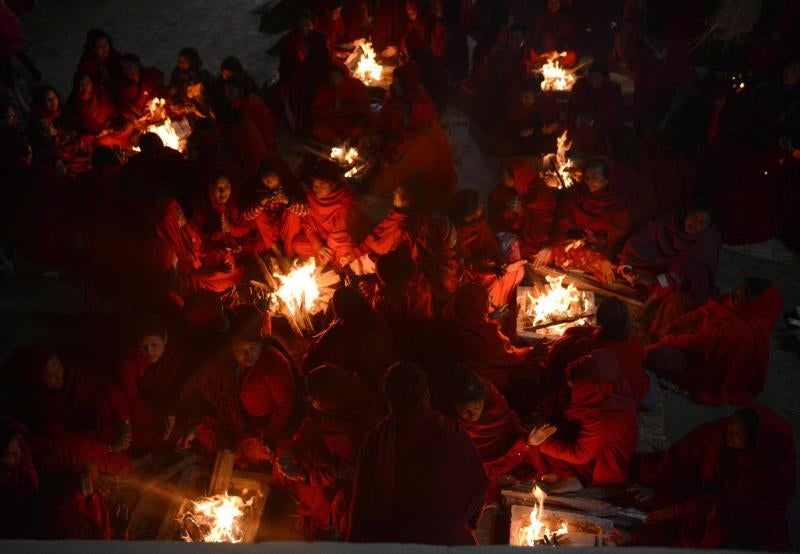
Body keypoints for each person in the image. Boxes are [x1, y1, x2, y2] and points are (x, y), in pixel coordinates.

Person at [348, 361, 488, 544]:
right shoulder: (450, 430)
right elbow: (478, 484)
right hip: (446, 538)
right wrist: (465, 525)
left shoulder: (377, 441)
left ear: (389, 400)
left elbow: (362, 506)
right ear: (427, 395)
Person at [635, 406, 796, 550]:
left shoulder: (775, 473)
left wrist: (677, 511)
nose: (728, 436)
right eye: (729, 428)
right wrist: (657, 482)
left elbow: (729, 503)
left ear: (754, 442)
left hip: (736, 516)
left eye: (737, 434)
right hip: (709, 497)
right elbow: (684, 454)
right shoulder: (719, 434)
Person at [175, 305, 296, 466]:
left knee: (279, 454)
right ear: (231, 347)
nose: (247, 355)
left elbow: (285, 405)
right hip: (230, 423)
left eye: (252, 349)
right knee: (196, 434)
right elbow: (201, 395)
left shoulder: (274, 363)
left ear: (261, 344)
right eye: (240, 350)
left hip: (264, 427)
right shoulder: (221, 364)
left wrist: (268, 435)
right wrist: (194, 428)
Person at [274, 364, 382, 535]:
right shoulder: (330, 405)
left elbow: (342, 470)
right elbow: (310, 424)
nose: (312, 403)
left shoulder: (359, 427)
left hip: (342, 477)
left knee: (328, 502)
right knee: (281, 454)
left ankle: (327, 530)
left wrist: (303, 475)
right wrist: (294, 451)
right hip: (326, 459)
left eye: (314, 400)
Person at [644, 278, 784, 406]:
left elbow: (698, 342)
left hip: (698, 361)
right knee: (677, 300)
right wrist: (672, 326)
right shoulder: (733, 304)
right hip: (697, 334)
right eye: (734, 294)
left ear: (753, 305)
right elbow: (703, 311)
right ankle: (658, 339)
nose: (733, 299)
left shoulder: (738, 332)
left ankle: (659, 350)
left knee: (656, 356)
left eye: (739, 298)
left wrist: (666, 340)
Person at [4, 346, 132, 476]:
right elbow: (61, 444)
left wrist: (125, 423)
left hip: (96, 437)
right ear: (37, 379)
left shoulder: (72, 374)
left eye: (59, 368)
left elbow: (108, 387)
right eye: (51, 376)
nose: (59, 377)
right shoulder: (38, 405)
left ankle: (106, 461)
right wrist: (109, 448)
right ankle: (101, 465)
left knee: (104, 403)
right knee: (48, 462)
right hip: (76, 447)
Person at [526, 349, 638, 493]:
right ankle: (560, 471)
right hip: (593, 443)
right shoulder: (603, 384)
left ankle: (573, 478)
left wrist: (539, 443)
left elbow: (581, 455)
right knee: (553, 426)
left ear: (586, 387)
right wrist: (542, 411)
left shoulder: (604, 414)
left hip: (604, 463)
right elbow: (562, 399)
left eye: (574, 383)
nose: (569, 383)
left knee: (547, 440)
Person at [343, 172, 458, 305]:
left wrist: (371, 269)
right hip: (378, 259)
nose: (394, 193)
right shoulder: (399, 213)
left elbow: (397, 265)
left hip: (383, 266)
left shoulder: (406, 229)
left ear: (410, 198)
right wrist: (354, 254)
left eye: (398, 191)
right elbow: (377, 235)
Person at [618, 208, 722, 335]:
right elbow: (638, 242)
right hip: (657, 270)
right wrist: (627, 267)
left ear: (708, 226)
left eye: (702, 223)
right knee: (627, 271)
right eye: (693, 218)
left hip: (682, 282)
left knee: (673, 300)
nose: (695, 225)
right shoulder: (668, 225)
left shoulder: (706, 242)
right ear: (686, 214)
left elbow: (688, 273)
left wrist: (653, 283)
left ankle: (650, 310)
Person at [372, 62, 457, 207]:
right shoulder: (396, 98)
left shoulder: (421, 118)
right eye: (395, 82)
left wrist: (389, 155)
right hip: (399, 141)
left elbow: (407, 160)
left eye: (399, 84)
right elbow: (386, 117)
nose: (395, 86)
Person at [536, 158, 632, 284]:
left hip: (604, 245)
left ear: (606, 180)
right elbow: (562, 222)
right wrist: (550, 245)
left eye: (594, 177)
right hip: (579, 239)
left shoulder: (617, 202)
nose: (589, 181)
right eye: (587, 177)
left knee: (612, 267)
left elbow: (618, 234)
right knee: (549, 252)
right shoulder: (576, 193)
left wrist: (608, 257)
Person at [543, 298, 650, 410]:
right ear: (625, 321)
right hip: (637, 391)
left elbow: (573, 372)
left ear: (599, 321)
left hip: (611, 401)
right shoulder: (635, 341)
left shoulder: (590, 348)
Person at [441, 282, 535, 392]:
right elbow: (510, 357)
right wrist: (530, 350)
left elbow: (470, 321)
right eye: (487, 302)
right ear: (477, 309)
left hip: (462, 369)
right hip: (482, 381)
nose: (490, 301)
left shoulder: (450, 317)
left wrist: (490, 316)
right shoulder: (486, 338)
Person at [303, 286, 397, 393]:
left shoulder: (341, 336)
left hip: (370, 387)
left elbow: (309, 362)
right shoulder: (377, 317)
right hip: (392, 370)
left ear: (340, 312)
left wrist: (328, 333)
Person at [448, 365, 529, 481]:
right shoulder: (449, 422)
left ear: (484, 399)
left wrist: (527, 441)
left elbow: (512, 428)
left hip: (509, 460)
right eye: (465, 411)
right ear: (454, 408)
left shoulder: (493, 402)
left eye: (476, 407)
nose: (472, 415)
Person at [117, 314, 186, 450]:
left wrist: (171, 411)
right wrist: (158, 417)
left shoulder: (176, 356)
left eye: (154, 345)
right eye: (144, 347)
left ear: (165, 338)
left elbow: (182, 389)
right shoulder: (129, 364)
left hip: (172, 408)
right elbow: (132, 399)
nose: (149, 351)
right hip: (145, 411)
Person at [450, 189, 525, 309]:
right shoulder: (453, 236)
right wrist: (490, 269)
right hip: (474, 275)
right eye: (473, 220)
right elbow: (465, 268)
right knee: (490, 292)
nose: (477, 222)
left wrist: (501, 261)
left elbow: (488, 242)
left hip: (488, 266)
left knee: (517, 269)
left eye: (480, 216)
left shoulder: (478, 222)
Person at [293, 158, 365, 267]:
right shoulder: (311, 196)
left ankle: (329, 261)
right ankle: (327, 260)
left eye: (321, 184)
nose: (316, 188)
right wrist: (318, 246)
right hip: (323, 240)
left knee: (346, 254)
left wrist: (327, 253)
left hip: (340, 241)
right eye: (314, 184)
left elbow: (340, 231)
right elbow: (307, 223)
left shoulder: (345, 198)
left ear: (334, 184)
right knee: (297, 244)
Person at [487, 157, 556, 258]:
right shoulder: (501, 191)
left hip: (528, 235)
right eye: (500, 172)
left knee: (527, 250)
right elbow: (495, 217)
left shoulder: (538, 193)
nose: (500, 176)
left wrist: (522, 213)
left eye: (503, 174)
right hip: (510, 233)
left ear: (516, 177)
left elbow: (543, 225)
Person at [486, 78, 561, 156]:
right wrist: (520, 133)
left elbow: (556, 121)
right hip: (520, 134)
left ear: (537, 94)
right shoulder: (517, 103)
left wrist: (549, 129)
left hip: (541, 137)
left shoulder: (547, 101)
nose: (523, 100)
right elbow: (510, 122)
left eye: (526, 97)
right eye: (521, 97)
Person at [567, 61, 625, 153]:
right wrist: (577, 118)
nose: (593, 81)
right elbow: (572, 108)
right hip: (581, 129)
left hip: (602, 132)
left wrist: (594, 122)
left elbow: (614, 115)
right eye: (591, 77)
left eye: (597, 78)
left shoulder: (612, 90)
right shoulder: (581, 86)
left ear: (605, 78)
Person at [310, 63, 371, 145]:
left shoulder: (355, 85)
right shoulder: (325, 88)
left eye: (337, 78)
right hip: (332, 122)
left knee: (357, 131)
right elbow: (318, 109)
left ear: (344, 76)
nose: (334, 81)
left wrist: (344, 107)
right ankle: (339, 141)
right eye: (331, 78)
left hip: (351, 121)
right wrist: (333, 108)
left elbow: (363, 107)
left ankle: (346, 140)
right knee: (318, 131)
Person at [114, 54, 167, 122]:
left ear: (137, 64)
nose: (128, 71)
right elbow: (123, 106)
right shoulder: (124, 87)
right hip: (140, 119)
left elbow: (161, 90)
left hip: (157, 111)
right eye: (125, 69)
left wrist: (156, 103)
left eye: (130, 66)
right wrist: (134, 118)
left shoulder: (151, 75)